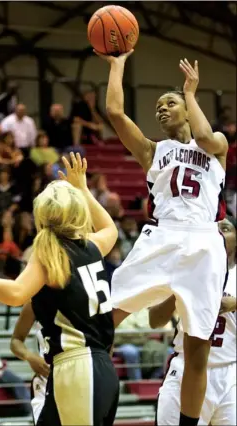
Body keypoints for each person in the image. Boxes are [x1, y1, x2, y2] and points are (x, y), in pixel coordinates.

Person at [96, 49, 228, 426]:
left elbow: (203, 134)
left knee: (197, 348)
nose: (161, 109)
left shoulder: (215, 144)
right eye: (158, 106)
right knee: (102, 321)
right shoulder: (154, 151)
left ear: (187, 108)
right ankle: (94, 404)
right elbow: (116, 115)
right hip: (161, 237)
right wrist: (118, 65)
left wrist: (190, 92)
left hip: (203, 242)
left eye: (169, 103)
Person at [0, 152, 120, 426]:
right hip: (98, 365)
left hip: (77, 365)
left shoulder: (53, 252)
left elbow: (15, 294)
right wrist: (82, 188)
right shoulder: (90, 246)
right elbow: (110, 228)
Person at [151, 216, 236, 425]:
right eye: (213, 229)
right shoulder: (183, 267)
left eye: (225, 228)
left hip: (229, 373)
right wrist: (178, 290)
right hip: (185, 368)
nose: (218, 233)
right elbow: (155, 320)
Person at [10, 302, 50, 425]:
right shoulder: (35, 301)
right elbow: (15, 341)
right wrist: (30, 357)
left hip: (80, 373)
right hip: (46, 377)